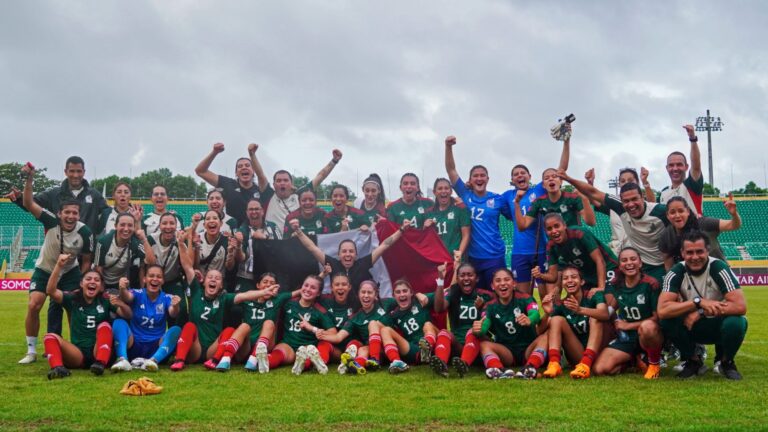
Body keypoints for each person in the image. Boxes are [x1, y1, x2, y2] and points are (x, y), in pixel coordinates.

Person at [18, 164, 94, 364]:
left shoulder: (85, 232)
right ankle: (32, 350)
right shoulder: (50, 221)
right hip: (45, 269)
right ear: (59, 213)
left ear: (79, 215)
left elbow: (87, 260)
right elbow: (28, 203)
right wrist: (29, 179)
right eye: (67, 212)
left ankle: (74, 346)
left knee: (74, 308)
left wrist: (81, 280)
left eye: (74, 213)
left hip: (70, 273)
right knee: (34, 304)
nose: (70, 216)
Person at [658, 231, 748, 380]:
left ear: (707, 250)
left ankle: (726, 362)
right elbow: (662, 310)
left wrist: (700, 312)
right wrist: (697, 302)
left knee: (737, 322)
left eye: (699, 251)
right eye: (690, 252)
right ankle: (693, 361)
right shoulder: (676, 272)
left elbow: (740, 306)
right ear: (682, 253)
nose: (695, 257)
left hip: (718, 323)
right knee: (667, 321)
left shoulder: (719, 268)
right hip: (691, 326)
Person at [169, 256, 277, 371]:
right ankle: (179, 360)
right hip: (195, 349)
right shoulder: (196, 291)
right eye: (210, 277)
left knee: (229, 330)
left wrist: (264, 291)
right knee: (189, 326)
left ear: (221, 285)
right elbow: (187, 266)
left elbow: (243, 296)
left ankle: (215, 360)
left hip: (213, 349)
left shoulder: (224, 298)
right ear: (204, 282)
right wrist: (181, 242)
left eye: (217, 278)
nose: (213, 280)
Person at [559, 172, 669, 284]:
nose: (631, 204)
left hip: (660, 265)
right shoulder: (619, 207)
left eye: (634, 199)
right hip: (636, 263)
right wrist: (568, 178)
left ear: (642, 197)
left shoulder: (661, 211)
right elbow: (593, 193)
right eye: (626, 201)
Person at [502, 126, 572, 295]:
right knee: (522, 296)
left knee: (546, 295)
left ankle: (549, 320)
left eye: (523, 173)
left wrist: (566, 141)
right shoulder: (506, 196)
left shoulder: (539, 190)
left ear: (529, 176)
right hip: (519, 253)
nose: (520, 175)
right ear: (512, 180)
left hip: (541, 250)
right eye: (516, 174)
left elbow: (560, 171)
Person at [43, 255, 132, 379]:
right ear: (81, 283)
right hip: (78, 354)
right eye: (88, 279)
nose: (92, 282)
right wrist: (58, 266)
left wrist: (121, 304)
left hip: (98, 351)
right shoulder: (73, 298)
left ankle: (100, 363)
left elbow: (128, 314)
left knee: (105, 326)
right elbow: (51, 291)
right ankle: (57, 368)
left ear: (101, 286)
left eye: (96, 280)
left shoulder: (105, 300)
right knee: (50, 337)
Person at [444, 136, 509, 289]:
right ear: (470, 180)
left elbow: (515, 215)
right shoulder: (465, 195)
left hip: (495, 257)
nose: (479, 178)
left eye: (482, 175)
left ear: (487, 179)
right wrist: (448, 147)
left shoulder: (497, 199)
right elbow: (451, 170)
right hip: (473, 258)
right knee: (476, 298)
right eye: (475, 176)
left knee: (497, 296)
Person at [290, 218, 409, 300]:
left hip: (359, 308)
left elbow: (384, 246)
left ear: (356, 255)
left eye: (351, 251)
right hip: (337, 306)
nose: (348, 254)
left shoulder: (363, 263)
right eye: (344, 251)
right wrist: (298, 231)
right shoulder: (332, 263)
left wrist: (401, 229)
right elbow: (312, 248)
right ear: (339, 255)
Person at [593, 248, 664, 380]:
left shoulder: (651, 284)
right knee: (600, 369)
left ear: (640, 263)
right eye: (624, 260)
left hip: (648, 335)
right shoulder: (616, 285)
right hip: (626, 337)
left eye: (633, 259)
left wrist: (628, 326)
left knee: (648, 327)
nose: (629, 263)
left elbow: (657, 318)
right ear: (619, 266)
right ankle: (632, 360)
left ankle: (654, 364)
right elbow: (610, 310)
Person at [248, 146, 343, 233]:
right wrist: (252, 155)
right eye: (279, 180)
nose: (282, 183)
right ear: (274, 184)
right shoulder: (268, 195)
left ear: (291, 184)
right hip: (274, 243)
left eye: (285, 180)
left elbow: (320, 176)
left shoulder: (300, 195)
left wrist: (334, 161)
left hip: (295, 242)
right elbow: (260, 175)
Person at [540, 266, 609, 379]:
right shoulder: (562, 305)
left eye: (574, 277)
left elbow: (604, 314)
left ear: (582, 281)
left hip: (600, 352)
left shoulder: (593, 295)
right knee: (556, 319)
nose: (570, 280)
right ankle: (554, 364)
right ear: (562, 283)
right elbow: (539, 331)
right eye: (565, 278)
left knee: (595, 317)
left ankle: (586, 365)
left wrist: (580, 310)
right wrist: (547, 313)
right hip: (578, 354)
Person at [260, 275, 338, 375]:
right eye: (306, 285)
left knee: (306, 353)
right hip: (288, 345)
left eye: (313, 288)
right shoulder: (289, 303)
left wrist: (312, 329)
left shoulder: (320, 311)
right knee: (279, 350)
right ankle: (266, 362)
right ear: (301, 286)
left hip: (308, 346)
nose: (308, 289)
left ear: (318, 293)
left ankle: (302, 364)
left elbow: (333, 333)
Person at [472, 268, 542, 379]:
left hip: (529, 349)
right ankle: (498, 370)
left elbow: (535, 314)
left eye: (507, 280)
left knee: (545, 336)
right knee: (484, 344)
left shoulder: (525, 298)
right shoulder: (489, 306)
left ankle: (530, 367)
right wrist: (478, 329)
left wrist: (530, 319)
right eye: (498, 281)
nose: (503, 283)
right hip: (507, 352)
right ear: (492, 286)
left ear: (514, 283)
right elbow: (485, 324)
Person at [110, 266, 182, 372]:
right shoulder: (137, 293)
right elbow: (127, 297)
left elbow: (173, 313)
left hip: (156, 347)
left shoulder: (166, 297)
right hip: (135, 345)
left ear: (163, 281)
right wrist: (122, 288)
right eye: (151, 276)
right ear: (144, 279)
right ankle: (123, 360)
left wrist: (176, 305)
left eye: (159, 277)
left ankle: (153, 361)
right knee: (118, 322)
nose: (155, 279)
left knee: (176, 329)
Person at [9, 156, 108, 233]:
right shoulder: (54, 194)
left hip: (86, 251)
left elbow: (107, 214)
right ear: (65, 172)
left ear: (84, 172)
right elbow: (31, 205)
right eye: (72, 171)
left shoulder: (95, 195)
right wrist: (19, 198)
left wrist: (96, 233)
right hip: (60, 250)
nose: (76, 175)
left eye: (79, 171)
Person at [431, 261, 495, 378]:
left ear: (476, 278)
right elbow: (438, 308)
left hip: (480, 345)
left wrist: (483, 307)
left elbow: (495, 317)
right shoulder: (453, 293)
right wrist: (440, 280)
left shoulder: (486, 295)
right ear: (457, 278)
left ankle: (464, 364)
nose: (466, 278)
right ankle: (441, 364)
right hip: (458, 345)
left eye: (470, 275)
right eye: (462, 275)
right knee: (444, 333)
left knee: (473, 331)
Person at [318, 280, 397, 373]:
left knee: (373, 323)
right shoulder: (355, 317)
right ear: (359, 295)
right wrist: (320, 334)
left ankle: (378, 359)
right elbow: (339, 337)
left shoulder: (386, 303)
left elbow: (405, 298)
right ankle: (356, 366)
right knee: (362, 349)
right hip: (375, 351)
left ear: (375, 294)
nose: (366, 295)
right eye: (363, 292)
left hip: (392, 346)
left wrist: (418, 295)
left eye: (369, 292)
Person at [532, 213, 617, 296]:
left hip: (609, 267)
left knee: (607, 301)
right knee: (580, 303)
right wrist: (540, 275)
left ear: (564, 225)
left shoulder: (579, 233)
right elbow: (553, 277)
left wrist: (601, 287)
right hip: (587, 276)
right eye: (549, 229)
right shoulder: (551, 247)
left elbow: (599, 260)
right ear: (546, 231)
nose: (554, 231)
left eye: (557, 226)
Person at [583, 167, 655, 255]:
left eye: (630, 180)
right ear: (619, 184)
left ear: (637, 182)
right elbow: (594, 200)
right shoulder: (613, 204)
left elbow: (653, 205)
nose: (626, 183)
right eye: (623, 181)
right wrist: (590, 183)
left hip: (639, 251)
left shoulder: (641, 203)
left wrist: (646, 183)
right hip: (617, 252)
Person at [659, 195, 741, 269]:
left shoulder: (704, 223)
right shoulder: (666, 236)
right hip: (691, 277)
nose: (677, 215)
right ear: (667, 215)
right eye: (672, 212)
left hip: (718, 271)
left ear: (687, 211)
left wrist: (734, 214)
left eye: (681, 211)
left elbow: (733, 225)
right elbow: (667, 261)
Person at [194, 143, 266, 225]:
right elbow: (200, 171)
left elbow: (262, 177)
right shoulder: (228, 184)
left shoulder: (261, 189)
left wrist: (252, 154)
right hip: (231, 232)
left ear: (254, 171)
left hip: (254, 232)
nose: (244, 167)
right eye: (240, 166)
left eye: (247, 165)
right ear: (236, 173)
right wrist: (214, 152)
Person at [379, 279, 440, 374]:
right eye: (398, 292)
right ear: (393, 296)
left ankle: (427, 349)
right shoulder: (394, 315)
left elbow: (446, 292)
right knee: (385, 330)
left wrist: (419, 294)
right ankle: (397, 362)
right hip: (413, 349)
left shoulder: (421, 300)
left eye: (405, 291)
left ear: (411, 292)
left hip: (434, 344)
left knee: (427, 324)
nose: (402, 294)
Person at [242, 273, 295, 373]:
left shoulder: (277, 299)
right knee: (243, 326)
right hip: (246, 346)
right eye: (265, 282)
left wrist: (322, 276)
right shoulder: (248, 298)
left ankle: (254, 358)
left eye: (272, 283)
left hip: (266, 347)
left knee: (269, 323)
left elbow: (301, 292)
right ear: (258, 285)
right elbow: (236, 298)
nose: (268, 285)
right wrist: (261, 293)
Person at [94, 212, 155, 293]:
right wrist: (102, 288)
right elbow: (98, 268)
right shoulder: (104, 242)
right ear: (116, 226)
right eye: (122, 225)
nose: (126, 229)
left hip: (122, 283)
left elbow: (152, 262)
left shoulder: (135, 243)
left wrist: (144, 239)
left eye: (130, 225)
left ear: (134, 228)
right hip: (103, 281)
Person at [233, 199, 282, 294]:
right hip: (247, 277)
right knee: (238, 307)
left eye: (257, 209)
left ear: (262, 211)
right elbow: (240, 258)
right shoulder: (242, 230)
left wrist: (264, 238)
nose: (254, 211)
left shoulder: (273, 227)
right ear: (247, 213)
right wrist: (238, 245)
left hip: (269, 276)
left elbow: (280, 249)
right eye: (251, 209)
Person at [147, 217, 189, 326]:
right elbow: (143, 266)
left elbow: (189, 264)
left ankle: (176, 335)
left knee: (181, 308)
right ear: (159, 225)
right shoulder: (150, 239)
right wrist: (144, 286)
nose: (168, 226)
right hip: (153, 282)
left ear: (176, 226)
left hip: (172, 281)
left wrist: (183, 243)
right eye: (164, 223)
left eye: (172, 223)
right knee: (152, 310)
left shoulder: (180, 240)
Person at [659, 125, 704, 216]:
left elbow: (696, 166)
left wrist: (692, 139)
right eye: (671, 165)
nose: (675, 168)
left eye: (679, 165)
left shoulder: (691, 185)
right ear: (667, 168)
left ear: (686, 167)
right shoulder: (663, 192)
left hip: (693, 230)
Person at [424, 178, 471, 260]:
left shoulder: (460, 209)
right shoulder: (429, 212)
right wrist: (425, 227)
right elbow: (426, 239)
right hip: (437, 259)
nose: (443, 191)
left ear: (451, 191)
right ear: (434, 192)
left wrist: (459, 254)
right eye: (440, 188)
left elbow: (466, 235)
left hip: (456, 259)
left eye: (446, 188)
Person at [189, 210, 238, 279]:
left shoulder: (226, 241)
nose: (211, 221)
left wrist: (230, 252)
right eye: (208, 219)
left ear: (221, 223)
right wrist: (196, 248)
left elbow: (229, 268)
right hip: (200, 280)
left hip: (219, 282)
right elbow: (194, 267)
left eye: (215, 218)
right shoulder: (198, 238)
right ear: (204, 225)